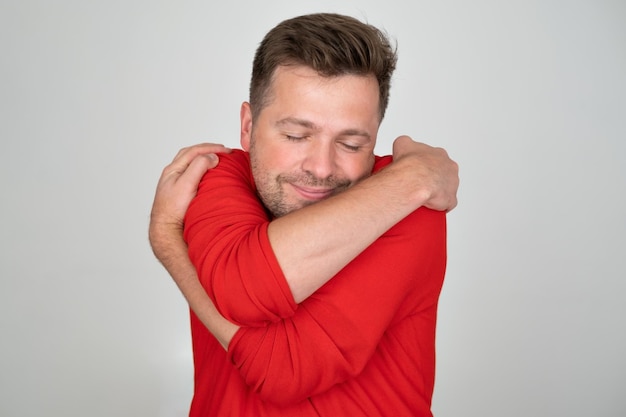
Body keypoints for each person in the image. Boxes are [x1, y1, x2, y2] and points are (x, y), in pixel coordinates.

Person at [150, 13, 459, 417]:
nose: (322, 168)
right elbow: (239, 287)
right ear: (247, 127)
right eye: (296, 136)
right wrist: (417, 177)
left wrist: (170, 240)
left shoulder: (410, 211)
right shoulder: (214, 173)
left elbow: (285, 370)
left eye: (350, 143)